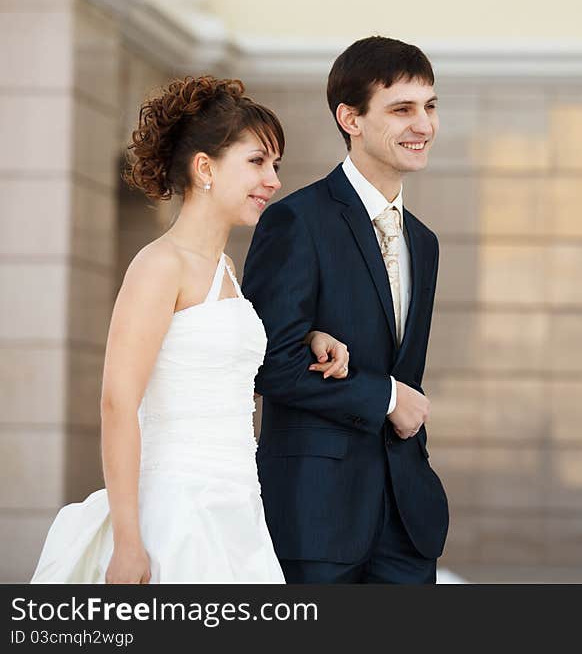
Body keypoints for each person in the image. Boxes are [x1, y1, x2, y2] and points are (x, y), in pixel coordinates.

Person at [31, 76, 350, 583]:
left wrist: (312, 337)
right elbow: (117, 402)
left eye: (275, 166)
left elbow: (219, 358)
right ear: (205, 167)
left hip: (238, 506)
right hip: (176, 511)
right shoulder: (159, 264)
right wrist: (130, 542)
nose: (273, 180)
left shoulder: (226, 269)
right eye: (256, 162)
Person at [242, 36, 449, 584]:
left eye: (429, 106)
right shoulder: (296, 222)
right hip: (316, 518)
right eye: (402, 109)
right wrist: (385, 397)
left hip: (406, 524)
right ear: (350, 118)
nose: (423, 125)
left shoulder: (424, 243)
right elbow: (270, 363)